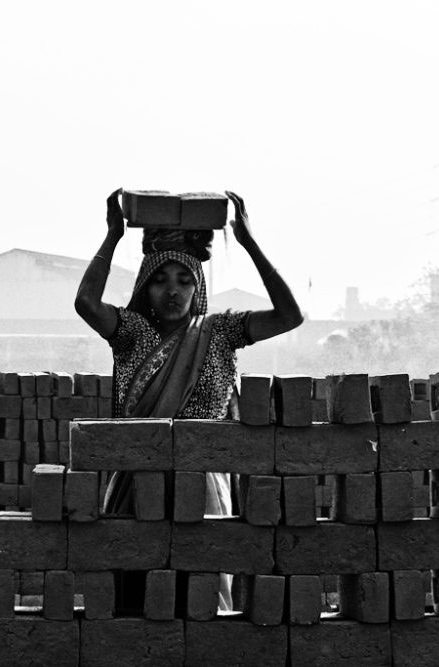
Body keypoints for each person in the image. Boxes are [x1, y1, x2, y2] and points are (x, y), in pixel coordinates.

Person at [74, 188, 303, 610]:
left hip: (204, 484)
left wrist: (248, 242)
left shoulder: (219, 332)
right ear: (145, 286)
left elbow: (290, 316)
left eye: (184, 280)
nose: (172, 291)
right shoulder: (131, 332)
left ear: (198, 287)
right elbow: (86, 303)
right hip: (137, 482)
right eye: (160, 280)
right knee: (137, 602)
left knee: (200, 601)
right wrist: (113, 237)